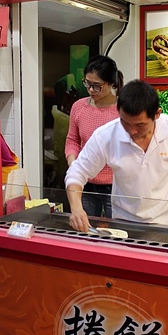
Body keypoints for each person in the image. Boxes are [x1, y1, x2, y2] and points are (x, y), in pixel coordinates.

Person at [66, 79, 168, 231]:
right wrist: (77, 208)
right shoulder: (106, 135)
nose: (132, 131)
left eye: (140, 125)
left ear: (157, 114)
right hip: (124, 224)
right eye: (126, 123)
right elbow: (77, 173)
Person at [65, 55, 124, 218]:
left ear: (112, 83)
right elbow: (73, 140)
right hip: (86, 183)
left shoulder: (123, 110)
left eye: (97, 86)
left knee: (119, 233)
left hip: (117, 185)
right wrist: (73, 163)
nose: (91, 90)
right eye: (87, 84)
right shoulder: (79, 107)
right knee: (85, 229)